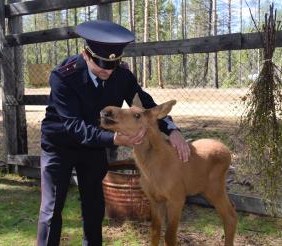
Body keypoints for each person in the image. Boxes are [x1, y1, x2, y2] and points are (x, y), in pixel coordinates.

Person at [36, 20, 190, 246]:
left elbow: (147, 106)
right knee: (51, 209)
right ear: (85, 55)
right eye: (101, 65)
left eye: (113, 65)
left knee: (94, 205)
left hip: (95, 145)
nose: (107, 71)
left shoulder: (122, 76)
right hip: (60, 145)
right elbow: (74, 127)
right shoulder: (63, 77)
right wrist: (115, 138)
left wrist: (172, 129)